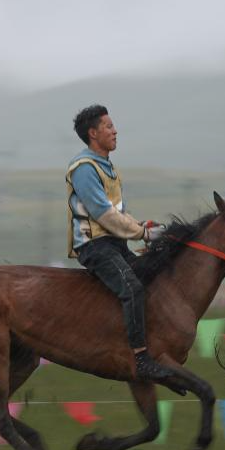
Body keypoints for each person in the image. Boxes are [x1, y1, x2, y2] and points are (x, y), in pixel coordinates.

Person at [66, 104, 170, 381]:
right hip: (94, 246)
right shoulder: (84, 168)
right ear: (93, 133)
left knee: (150, 281)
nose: (115, 131)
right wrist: (143, 235)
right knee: (133, 288)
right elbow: (104, 214)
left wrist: (140, 225)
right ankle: (140, 358)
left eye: (113, 126)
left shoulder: (108, 168)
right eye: (109, 126)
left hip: (115, 244)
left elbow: (119, 213)